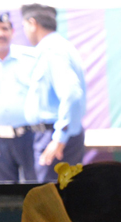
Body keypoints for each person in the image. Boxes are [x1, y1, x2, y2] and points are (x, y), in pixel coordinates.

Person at [21, 4, 86, 183]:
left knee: (51, 201)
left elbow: (72, 93)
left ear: (32, 23)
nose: (24, 31)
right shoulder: (60, 46)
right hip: (57, 134)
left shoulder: (52, 50)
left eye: (24, 25)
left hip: (54, 136)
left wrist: (59, 137)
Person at [0, 12, 38, 184]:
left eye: (5, 28)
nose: (0, 33)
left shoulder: (30, 58)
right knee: (2, 189)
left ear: (12, 31)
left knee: (37, 188)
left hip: (29, 136)